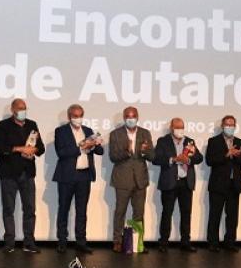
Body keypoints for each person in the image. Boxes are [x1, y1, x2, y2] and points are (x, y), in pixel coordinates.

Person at [0, 98, 45, 253]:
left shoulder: (32, 125)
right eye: (20, 108)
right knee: (8, 209)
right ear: (12, 110)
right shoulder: (3, 126)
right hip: (9, 173)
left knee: (30, 209)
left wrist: (32, 151)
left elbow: (40, 148)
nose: (23, 111)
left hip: (27, 173)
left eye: (25, 108)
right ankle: (9, 242)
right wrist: (19, 149)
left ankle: (29, 242)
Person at [52, 104, 103, 254]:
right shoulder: (60, 131)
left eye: (80, 115)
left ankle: (81, 242)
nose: (78, 119)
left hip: (84, 175)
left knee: (82, 211)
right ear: (69, 117)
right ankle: (62, 241)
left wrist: (95, 145)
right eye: (75, 116)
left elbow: (100, 151)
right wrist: (81, 147)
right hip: (67, 176)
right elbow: (61, 152)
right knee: (64, 209)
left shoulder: (88, 131)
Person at [108, 106, 154, 253]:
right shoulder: (115, 134)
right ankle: (117, 241)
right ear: (124, 118)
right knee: (120, 212)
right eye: (128, 116)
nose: (131, 119)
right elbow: (113, 157)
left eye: (133, 116)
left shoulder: (145, 133)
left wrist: (145, 151)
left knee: (139, 213)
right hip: (122, 179)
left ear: (137, 117)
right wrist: (126, 152)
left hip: (140, 179)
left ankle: (138, 243)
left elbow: (152, 156)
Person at [154, 118, 203, 252]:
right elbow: (156, 159)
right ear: (171, 128)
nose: (180, 130)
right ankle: (163, 242)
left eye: (182, 127)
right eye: (177, 127)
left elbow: (199, 158)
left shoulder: (189, 141)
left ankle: (185, 242)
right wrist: (174, 159)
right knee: (167, 213)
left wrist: (188, 159)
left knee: (186, 214)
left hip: (186, 183)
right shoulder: (163, 141)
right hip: (170, 183)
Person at [204, 115, 241, 252]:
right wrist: (226, 154)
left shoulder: (240, 142)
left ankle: (229, 242)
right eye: (227, 125)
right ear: (222, 126)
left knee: (232, 216)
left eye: (232, 125)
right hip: (218, 184)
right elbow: (209, 161)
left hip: (234, 184)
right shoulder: (214, 141)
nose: (230, 127)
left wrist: (238, 155)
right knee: (215, 214)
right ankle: (213, 242)